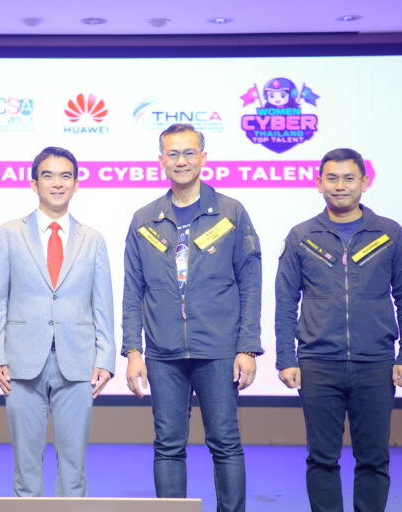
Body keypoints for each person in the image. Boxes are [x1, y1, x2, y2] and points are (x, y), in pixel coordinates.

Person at [122, 123, 263, 512]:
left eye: (188, 153)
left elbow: (250, 284)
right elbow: (133, 290)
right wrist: (133, 350)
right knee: (168, 445)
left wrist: (247, 347)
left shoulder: (231, 212)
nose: (181, 161)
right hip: (163, 352)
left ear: (203, 157)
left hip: (218, 349)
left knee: (225, 443)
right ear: (161, 160)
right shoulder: (144, 219)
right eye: (173, 153)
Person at [275, 148, 402, 512]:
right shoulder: (302, 235)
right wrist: (285, 358)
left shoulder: (389, 234)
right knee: (321, 458)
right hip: (317, 364)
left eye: (348, 178)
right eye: (332, 178)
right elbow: (285, 302)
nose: (340, 186)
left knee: (373, 459)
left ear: (364, 183)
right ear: (319, 183)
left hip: (375, 364)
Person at [0, 146, 115, 497]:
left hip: (78, 362)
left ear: (76, 184)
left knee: (74, 472)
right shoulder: (9, 234)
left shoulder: (93, 239)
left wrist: (105, 358)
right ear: (34, 184)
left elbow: (102, 305)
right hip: (21, 363)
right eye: (48, 176)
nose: (57, 183)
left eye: (65, 176)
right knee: (26, 473)